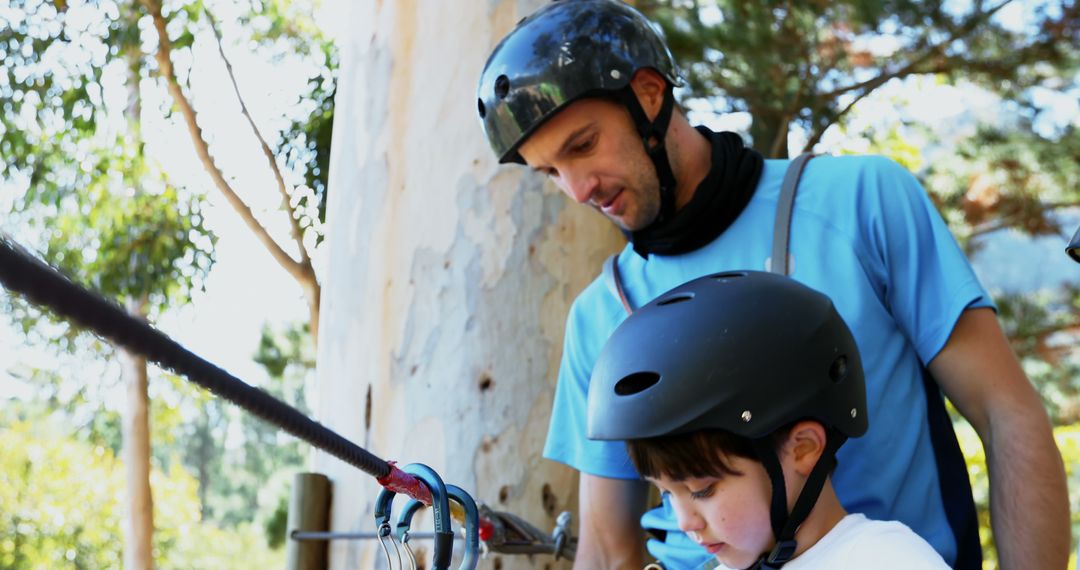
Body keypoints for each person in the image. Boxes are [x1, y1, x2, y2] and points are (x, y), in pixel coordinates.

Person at [475, 1, 1069, 568]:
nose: (578, 190)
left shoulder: (861, 200)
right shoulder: (600, 314)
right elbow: (608, 553)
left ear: (649, 94)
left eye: (584, 145)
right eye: (551, 171)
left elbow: (1005, 413)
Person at [587, 270, 950, 569]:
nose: (685, 523)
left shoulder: (887, 560)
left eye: (703, 489)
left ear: (804, 448)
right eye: (666, 493)